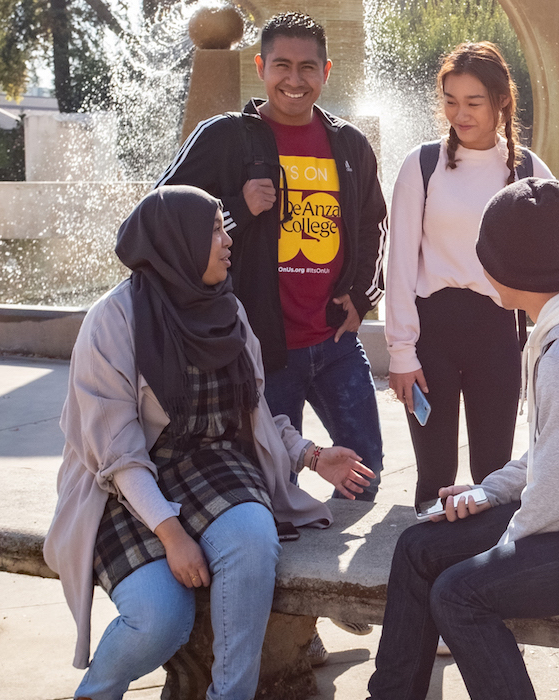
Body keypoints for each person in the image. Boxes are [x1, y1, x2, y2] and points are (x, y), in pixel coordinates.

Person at [44, 186, 376, 700]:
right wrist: (173, 535)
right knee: (159, 620)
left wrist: (310, 456)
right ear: (177, 243)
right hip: (127, 487)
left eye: (224, 228)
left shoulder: (228, 311)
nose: (227, 241)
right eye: (215, 229)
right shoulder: (113, 321)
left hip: (214, 466)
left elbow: (255, 411)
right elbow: (118, 453)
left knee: (252, 537)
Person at [367, 178, 559, 700]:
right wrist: (485, 494)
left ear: (504, 268)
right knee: (419, 546)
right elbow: (553, 450)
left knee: (459, 593)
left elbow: (554, 503)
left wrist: (495, 545)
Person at [155, 10, 387, 645]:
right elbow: (160, 219)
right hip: (261, 351)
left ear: (325, 72)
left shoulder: (348, 145)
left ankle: (338, 585)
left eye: (307, 67)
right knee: (271, 488)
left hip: (333, 344)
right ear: (260, 68)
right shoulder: (226, 138)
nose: (294, 79)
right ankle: (293, 624)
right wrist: (235, 210)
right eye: (281, 65)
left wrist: (360, 299)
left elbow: (374, 227)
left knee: (364, 466)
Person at [385, 42, 559, 510]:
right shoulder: (421, 165)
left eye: (473, 102)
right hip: (432, 331)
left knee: (493, 472)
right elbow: (400, 262)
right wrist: (401, 351)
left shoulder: (527, 168)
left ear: (502, 100)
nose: (459, 114)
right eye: (450, 101)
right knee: (433, 473)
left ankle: (483, 570)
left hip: (498, 331)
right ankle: (427, 565)